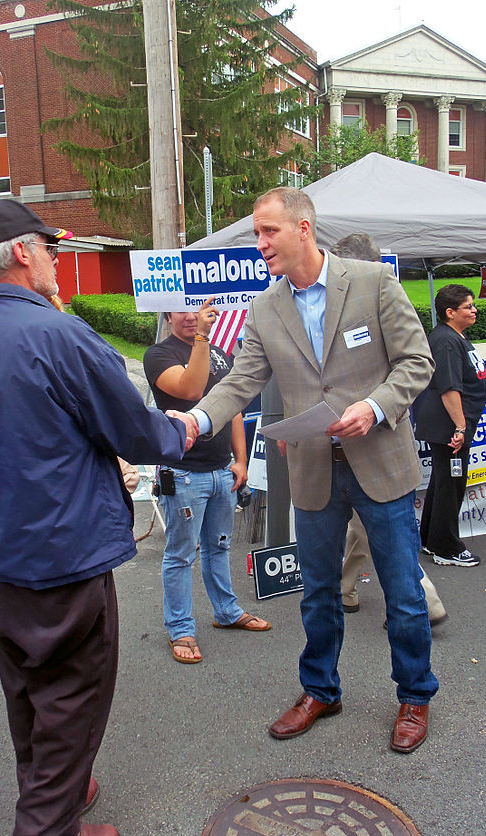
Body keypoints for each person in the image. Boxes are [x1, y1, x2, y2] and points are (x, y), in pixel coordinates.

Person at [0, 199, 187, 836]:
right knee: (73, 682)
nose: (55, 258)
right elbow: (137, 429)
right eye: (49, 247)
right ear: (20, 252)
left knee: (28, 680)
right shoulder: (58, 335)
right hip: (63, 552)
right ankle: (43, 831)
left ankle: (52, 789)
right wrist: (186, 429)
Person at [174, 187, 439, 753]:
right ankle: (320, 689)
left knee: (403, 593)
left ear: (303, 229)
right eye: (256, 233)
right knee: (317, 593)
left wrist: (373, 407)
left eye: (268, 231)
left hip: (381, 466)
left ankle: (415, 696)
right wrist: (196, 421)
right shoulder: (266, 307)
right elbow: (241, 382)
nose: (260, 242)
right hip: (315, 473)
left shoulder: (371, 283)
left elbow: (418, 363)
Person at [328, 236, 447, 627]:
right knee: (365, 529)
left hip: (379, 445)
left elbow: (416, 364)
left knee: (386, 536)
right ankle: (347, 589)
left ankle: (424, 599)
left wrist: (374, 407)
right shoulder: (333, 307)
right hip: (339, 450)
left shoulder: (385, 301)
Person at [143, 299, 270, 664]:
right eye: (181, 311)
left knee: (218, 547)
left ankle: (226, 612)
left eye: (195, 309)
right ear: (167, 316)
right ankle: (180, 628)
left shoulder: (219, 353)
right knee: (181, 555)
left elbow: (232, 408)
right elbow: (191, 391)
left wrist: (240, 460)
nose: (191, 316)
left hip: (220, 471)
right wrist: (201, 336)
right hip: (182, 473)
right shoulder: (158, 354)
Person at [415, 284, 486, 567]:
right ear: (450, 312)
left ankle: (431, 538)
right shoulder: (445, 340)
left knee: (444, 482)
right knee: (452, 485)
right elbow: (449, 387)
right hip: (449, 427)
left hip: (454, 425)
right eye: (468, 306)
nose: (474, 310)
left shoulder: (455, 337)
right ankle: (447, 547)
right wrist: (459, 427)